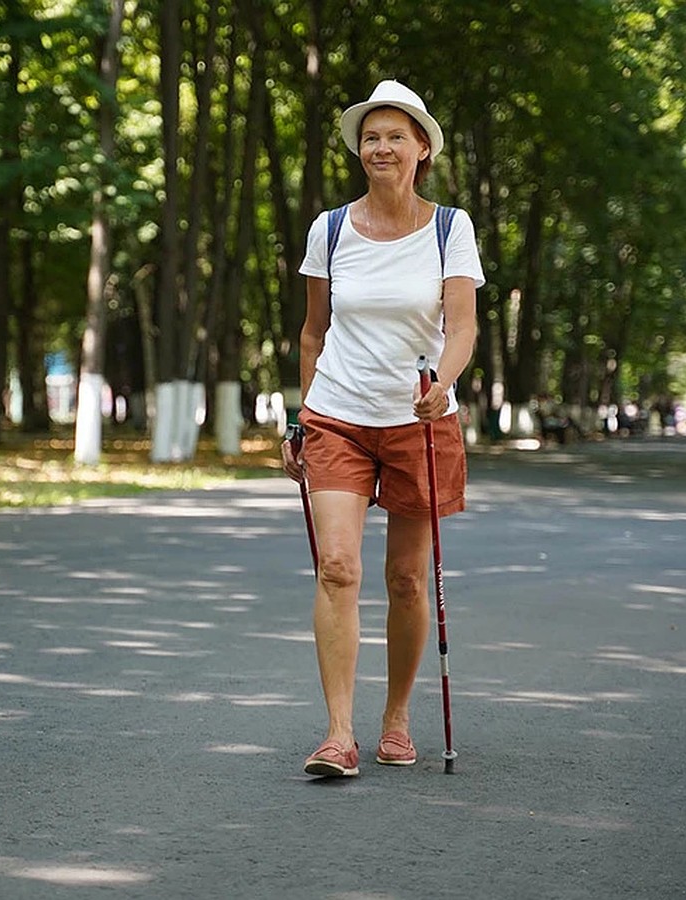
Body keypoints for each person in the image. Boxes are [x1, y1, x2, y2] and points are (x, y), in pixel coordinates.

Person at [281, 80, 485, 777]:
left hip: (417, 422)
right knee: (337, 567)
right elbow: (314, 333)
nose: (381, 146)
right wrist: (302, 420)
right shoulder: (330, 229)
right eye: (371, 136)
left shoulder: (449, 227)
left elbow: (462, 326)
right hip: (338, 415)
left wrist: (444, 383)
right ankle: (339, 733)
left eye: (396, 135)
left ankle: (396, 718)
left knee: (405, 579)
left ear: (421, 148)